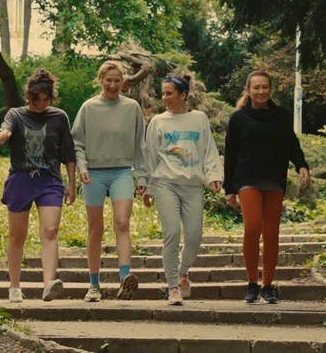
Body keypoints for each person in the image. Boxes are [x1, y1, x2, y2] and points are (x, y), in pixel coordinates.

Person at [223, 70, 310, 304]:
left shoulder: (281, 116)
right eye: (256, 87)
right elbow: (230, 153)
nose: (261, 91)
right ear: (248, 90)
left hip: (273, 179)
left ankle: (268, 285)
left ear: (270, 89)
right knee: (252, 228)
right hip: (247, 179)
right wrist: (229, 188)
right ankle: (252, 282)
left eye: (265, 87)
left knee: (272, 234)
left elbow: (291, 144)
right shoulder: (238, 118)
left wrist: (301, 165)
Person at [0, 68, 76, 303]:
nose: (41, 104)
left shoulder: (59, 117)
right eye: (36, 99)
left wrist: (72, 185)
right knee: (17, 235)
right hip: (21, 179)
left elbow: (68, 153)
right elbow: (5, 129)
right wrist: (4, 135)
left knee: (50, 231)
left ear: (51, 97)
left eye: (45, 99)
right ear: (28, 96)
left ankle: (49, 284)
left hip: (49, 180)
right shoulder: (16, 114)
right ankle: (14, 286)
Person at [142, 74, 223, 306]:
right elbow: (150, 156)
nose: (164, 97)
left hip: (192, 185)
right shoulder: (158, 121)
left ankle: (182, 272)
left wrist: (214, 176)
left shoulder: (199, 119)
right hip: (165, 183)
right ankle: (173, 287)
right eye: (163, 93)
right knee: (172, 233)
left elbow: (208, 149)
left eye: (169, 93)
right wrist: (148, 186)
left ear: (183, 95)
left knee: (194, 237)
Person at [71, 60, 148, 302]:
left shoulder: (131, 108)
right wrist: (82, 168)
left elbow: (140, 145)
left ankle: (125, 279)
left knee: (122, 223)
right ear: (101, 81)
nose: (113, 85)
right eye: (109, 80)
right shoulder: (89, 107)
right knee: (95, 229)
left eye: (117, 80)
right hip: (93, 173)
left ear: (123, 82)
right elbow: (77, 143)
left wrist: (142, 176)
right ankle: (94, 285)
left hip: (121, 172)